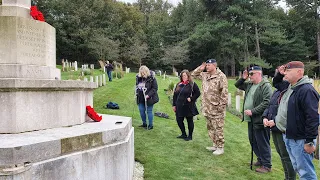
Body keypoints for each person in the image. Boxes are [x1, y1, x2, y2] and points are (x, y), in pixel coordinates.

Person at [273, 61, 319, 179]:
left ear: (299, 72)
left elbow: (312, 118)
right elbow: (276, 83)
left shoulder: (306, 90)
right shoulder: (290, 86)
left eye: (288, 71)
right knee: (298, 168)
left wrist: (309, 141)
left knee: (306, 173)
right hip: (290, 135)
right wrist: (280, 73)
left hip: (300, 139)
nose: (285, 74)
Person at [235, 66, 272, 173]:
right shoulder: (250, 85)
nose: (250, 76)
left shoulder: (265, 86)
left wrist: (253, 111)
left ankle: (267, 165)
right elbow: (238, 85)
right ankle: (260, 160)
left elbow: (267, 102)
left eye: (252, 74)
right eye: (249, 74)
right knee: (253, 140)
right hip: (250, 119)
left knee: (262, 142)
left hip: (260, 119)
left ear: (259, 74)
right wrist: (243, 78)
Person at [263, 66, 296, 178]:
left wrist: (275, 122)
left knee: (286, 157)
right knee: (281, 155)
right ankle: (286, 177)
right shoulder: (277, 91)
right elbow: (270, 106)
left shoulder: (287, 89)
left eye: (282, 73)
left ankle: (290, 178)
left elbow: (276, 81)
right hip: (273, 127)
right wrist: (265, 117)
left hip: (281, 127)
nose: (280, 75)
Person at [192, 59, 228, 155]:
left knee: (218, 128)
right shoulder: (205, 75)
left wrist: (221, 107)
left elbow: (224, 93)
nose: (207, 67)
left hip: (216, 108)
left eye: (208, 65)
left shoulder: (221, 76)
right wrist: (201, 68)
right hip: (207, 107)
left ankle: (220, 147)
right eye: (206, 65)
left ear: (214, 66)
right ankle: (215, 144)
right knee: (210, 127)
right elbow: (193, 75)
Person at [173, 70, 201, 141]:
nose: (183, 77)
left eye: (185, 75)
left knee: (189, 121)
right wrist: (174, 105)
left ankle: (190, 136)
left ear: (188, 76)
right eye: (182, 76)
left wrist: (191, 98)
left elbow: (198, 93)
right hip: (179, 106)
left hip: (188, 106)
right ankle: (183, 134)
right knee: (179, 120)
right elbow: (175, 95)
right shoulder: (179, 84)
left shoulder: (192, 84)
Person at [136, 65, 159, 130]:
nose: (142, 74)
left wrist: (148, 95)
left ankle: (150, 125)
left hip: (149, 98)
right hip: (141, 97)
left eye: (143, 73)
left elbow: (155, 88)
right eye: (141, 73)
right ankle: (144, 123)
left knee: (149, 111)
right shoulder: (139, 77)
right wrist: (136, 91)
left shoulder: (152, 78)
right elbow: (137, 85)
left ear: (146, 72)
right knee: (141, 110)